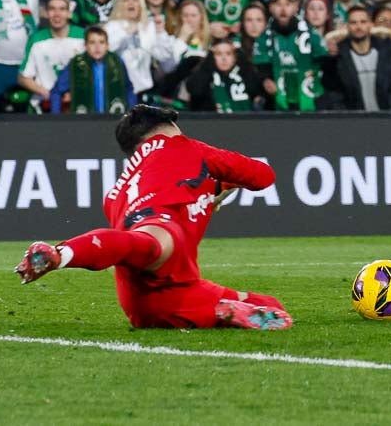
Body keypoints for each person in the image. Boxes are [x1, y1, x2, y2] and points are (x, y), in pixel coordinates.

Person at [15, 104, 290, 329]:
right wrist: (226, 181)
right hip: (165, 245)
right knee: (149, 243)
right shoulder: (182, 147)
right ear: (167, 129)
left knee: (268, 304)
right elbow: (262, 175)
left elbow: (175, 192)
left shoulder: (115, 193)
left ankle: (61, 255)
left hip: (142, 304)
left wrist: (213, 190)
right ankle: (58, 254)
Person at [251, 0, 325, 111]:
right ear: (271, 8)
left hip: (309, 97)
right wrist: (266, 80)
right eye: (278, 4)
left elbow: (323, 60)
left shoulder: (310, 33)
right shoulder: (264, 37)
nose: (283, 9)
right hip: (278, 100)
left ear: (296, 7)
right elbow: (261, 67)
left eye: (288, 4)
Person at [50, 24, 135, 114]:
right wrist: (56, 118)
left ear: (107, 45)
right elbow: (56, 91)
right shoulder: (76, 64)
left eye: (101, 42)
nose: (97, 47)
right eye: (92, 42)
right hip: (85, 122)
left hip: (113, 119)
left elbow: (128, 89)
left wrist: (133, 116)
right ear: (85, 45)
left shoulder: (117, 62)